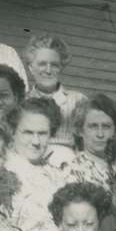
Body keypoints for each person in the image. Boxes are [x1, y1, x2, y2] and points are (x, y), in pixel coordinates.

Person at [2, 99, 66, 231]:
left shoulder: (58, 175)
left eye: (43, 133)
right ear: (13, 132)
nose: (36, 141)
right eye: (28, 133)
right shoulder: (2, 173)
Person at [22, 33, 87, 169]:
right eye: (42, 64)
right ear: (30, 67)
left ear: (61, 67)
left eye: (54, 65)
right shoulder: (22, 101)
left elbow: (85, 145)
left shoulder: (77, 101)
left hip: (69, 167)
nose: (48, 70)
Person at [64, 94, 116, 190]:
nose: (100, 134)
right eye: (93, 126)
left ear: (115, 130)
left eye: (106, 126)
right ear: (80, 130)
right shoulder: (73, 170)